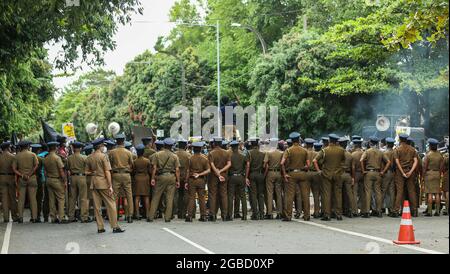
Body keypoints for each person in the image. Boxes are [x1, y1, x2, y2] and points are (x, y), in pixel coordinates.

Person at [85, 138, 124, 233]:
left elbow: (86, 172)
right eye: (103, 146)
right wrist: (110, 186)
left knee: (97, 207)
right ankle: (115, 226)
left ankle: (100, 227)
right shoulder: (104, 156)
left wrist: (93, 172)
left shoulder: (89, 157)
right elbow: (107, 171)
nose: (104, 147)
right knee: (111, 204)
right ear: (100, 146)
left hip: (94, 183)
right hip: (103, 183)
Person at [313, 134, 346, 221]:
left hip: (326, 174)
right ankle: (338, 214)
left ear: (329, 141)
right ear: (336, 141)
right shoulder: (341, 150)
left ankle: (327, 214)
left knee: (326, 195)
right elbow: (344, 161)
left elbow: (315, 160)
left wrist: (319, 171)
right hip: (337, 175)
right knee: (338, 195)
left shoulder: (324, 150)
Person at [148, 138, 180, 222]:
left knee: (156, 196)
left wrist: (152, 178)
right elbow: (177, 170)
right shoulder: (174, 156)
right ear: (171, 146)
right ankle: (167, 217)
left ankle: (151, 216)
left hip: (160, 177)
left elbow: (154, 168)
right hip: (171, 177)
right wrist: (178, 181)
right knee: (170, 198)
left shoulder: (157, 155)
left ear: (164, 145)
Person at [281, 132, 310, 221]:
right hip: (302, 174)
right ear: (298, 140)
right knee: (305, 195)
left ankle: (288, 216)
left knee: (290, 195)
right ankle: (307, 215)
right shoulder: (305, 150)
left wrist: (285, 173)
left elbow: (282, 163)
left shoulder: (288, 150)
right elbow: (308, 165)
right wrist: (303, 168)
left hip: (292, 174)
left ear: (292, 141)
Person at [360, 137, 391, 218]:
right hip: (378, 173)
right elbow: (388, 162)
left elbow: (361, 160)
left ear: (370, 143)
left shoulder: (367, 151)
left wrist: (363, 171)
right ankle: (379, 211)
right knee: (378, 192)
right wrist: (383, 171)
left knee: (368, 192)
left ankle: (367, 212)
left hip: (369, 173)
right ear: (377, 143)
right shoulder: (380, 152)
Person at [108, 134, 134, 223]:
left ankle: (114, 215)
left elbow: (109, 165)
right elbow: (131, 164)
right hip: (126, 174)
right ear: (123, 141)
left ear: (116, 141)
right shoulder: (128, 152)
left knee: (114, 196)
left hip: (116, 175)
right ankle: (130, 215)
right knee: (129, 195)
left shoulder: (111, 152)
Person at [392, 133, 420, 217]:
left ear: (400, 140)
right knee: (412, 191)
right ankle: (414, 211)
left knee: (400, 191)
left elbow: (397, 162)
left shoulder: (397, 149)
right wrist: (411, 171)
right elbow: (416, 161)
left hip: (400, 173)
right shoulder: (412, 149)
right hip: (410, 172)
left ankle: (396, 210)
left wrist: (403, 172)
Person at [12, 140, 39, 223]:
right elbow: (36, 165)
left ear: (20, 147)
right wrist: (30, 174)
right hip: (32, 178)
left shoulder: (17, 156)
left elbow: (14, 169)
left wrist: (22, 175)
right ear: (28, 146)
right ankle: (34, 217)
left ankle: (20, 217)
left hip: (22, 179)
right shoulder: (33, 154)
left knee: (21, 199)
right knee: (33, 199)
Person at [43, 141, 68, 224]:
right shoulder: (57, 158)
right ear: (56, 148)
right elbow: (61, 170)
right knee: (61, 198)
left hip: (48, 180)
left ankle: (53, 217)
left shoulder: (46, 158)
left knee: (51, 199)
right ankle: (61, 217)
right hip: (56, 180)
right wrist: (64, 181)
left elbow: (45, 172)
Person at [185, 142, 210, 222]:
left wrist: (186, 181)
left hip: (192, 180)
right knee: (201, 198)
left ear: (193, 149)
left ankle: (190, 216)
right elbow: (208, 170)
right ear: (201, 149)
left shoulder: (190, 158)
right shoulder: (204, 158)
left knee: (191, 198)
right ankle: (203, 216)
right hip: (201, 180)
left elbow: (188, 171)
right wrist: (199, 174)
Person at [208, 137, 231, 222]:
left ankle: (212, 215)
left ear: (214, 144)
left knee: (212, 195)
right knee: (224, 194)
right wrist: (221, 171)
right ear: (221, 144)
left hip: (213, 176)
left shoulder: (211, 153)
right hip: (224, 175)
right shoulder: (226, 153)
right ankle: (224, 215)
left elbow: (211, 165)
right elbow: (229, 164)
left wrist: (217, 173)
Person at [67, 141, 91, 223]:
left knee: (72, 198)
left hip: (73, 177)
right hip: (82, 177)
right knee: (83, 198)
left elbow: (67, 168)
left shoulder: (69, 158)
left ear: (73, 148)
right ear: (80, 148)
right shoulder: (84, 157)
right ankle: (84, 217)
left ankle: (71, 216)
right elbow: (88, 168)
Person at [245, 137, 266, 220]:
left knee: (253, 195)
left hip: (252, 175)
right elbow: (265, 165)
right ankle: (262, 213)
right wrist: (263, 174)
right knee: (260, 195)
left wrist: (246, 177)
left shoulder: (249, 153)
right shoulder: (263, 153)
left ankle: (255, 213)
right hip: (260, 174)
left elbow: (248, 166)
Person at [422, 138, 444, 217]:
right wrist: (439, 173)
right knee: (437, 193)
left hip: (429, 173)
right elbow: (442, 167)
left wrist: (423, 175)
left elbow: (425, 166)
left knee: (430, 193)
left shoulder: (428, 155)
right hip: (437, 173)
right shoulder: (440, 155)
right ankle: (437, 211)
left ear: (430, 146)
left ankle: (430, 211)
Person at [264, 139, 284, 220]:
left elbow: (265, 163)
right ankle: (280, 212)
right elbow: (283, 164)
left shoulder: (268, 152)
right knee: (279, 193)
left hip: (270, 173)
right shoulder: (281, 153)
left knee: (270, 193)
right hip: (278, 173)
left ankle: (269, 213)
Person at [227, 140, 247, 220]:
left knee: (231, 196)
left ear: (231, 148)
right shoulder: (243, 156)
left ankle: (230, 215)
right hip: (241, 177)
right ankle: (245, 215)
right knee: (243, 196)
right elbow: (246, 166)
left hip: (232, 177)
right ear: (238, 146)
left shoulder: (230, 157)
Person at [0, 141, 19, 222]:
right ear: (8, 147)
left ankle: (6, 217)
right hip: (11, 177)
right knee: (12, 198)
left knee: (4, 198)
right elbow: (15, 169)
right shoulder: (13, 157)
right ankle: (14, 216)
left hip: (1, 177)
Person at [339, 137, 357, 218]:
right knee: (349, 193)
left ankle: (338, 210)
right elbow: (353, 168)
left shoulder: (337, 154)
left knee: (338, 193)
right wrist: (353, 177)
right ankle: (351, 210)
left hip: (339, 174)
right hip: (348, 175)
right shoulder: (350, 155)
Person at [132, 144, 152, 220]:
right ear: (143, 152)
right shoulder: (147, 161)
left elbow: (133, 171)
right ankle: (147, 214)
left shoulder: (134, 161)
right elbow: (150, 171)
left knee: (137, 197)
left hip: (137, 178)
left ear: (137, 152)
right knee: (146, 197)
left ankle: (137, 214)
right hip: (145, 178)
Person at [174, 139, 191, 219]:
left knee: (177, 195)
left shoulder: (174, 154)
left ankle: (177, 212)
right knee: (186, 195)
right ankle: (184, 212)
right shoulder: (188, 155)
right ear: (185, 146)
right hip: (185, 177)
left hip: (176, 177)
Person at [382, 138, 396, 216]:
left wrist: (382, 172)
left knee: (383, 190)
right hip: (393, 173)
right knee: (391, 192)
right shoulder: (395, 152)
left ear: (387, 144)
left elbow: (382, 164)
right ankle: (391, 208)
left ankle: (380, 208)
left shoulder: (385, 153)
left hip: (386, 173)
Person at [351, 138, 364, 214]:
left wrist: (353, 177)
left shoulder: (353, 154)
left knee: (354, 193)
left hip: (355, 173)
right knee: (363, 192)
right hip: (363, 173)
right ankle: (363, 210)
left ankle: (355, 210)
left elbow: (352, 167)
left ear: (355, 145)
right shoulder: (364, 152)